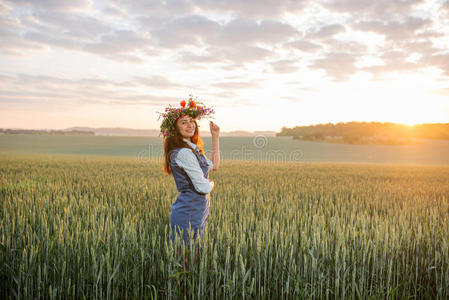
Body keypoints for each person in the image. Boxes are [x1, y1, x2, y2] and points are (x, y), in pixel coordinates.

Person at [159, 96, 220, 265]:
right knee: (185, 261)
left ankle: (187, 290)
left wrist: (215, 136)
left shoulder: (191, 148)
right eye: (183, 123)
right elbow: (202, 187)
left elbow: (213, 165)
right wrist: (212, 184)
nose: (190, 125)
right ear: (175, 129)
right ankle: (181, 291)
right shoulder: (184, 153)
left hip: (196, 211)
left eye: (191, 121)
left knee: (192, 258)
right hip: (187, 213)